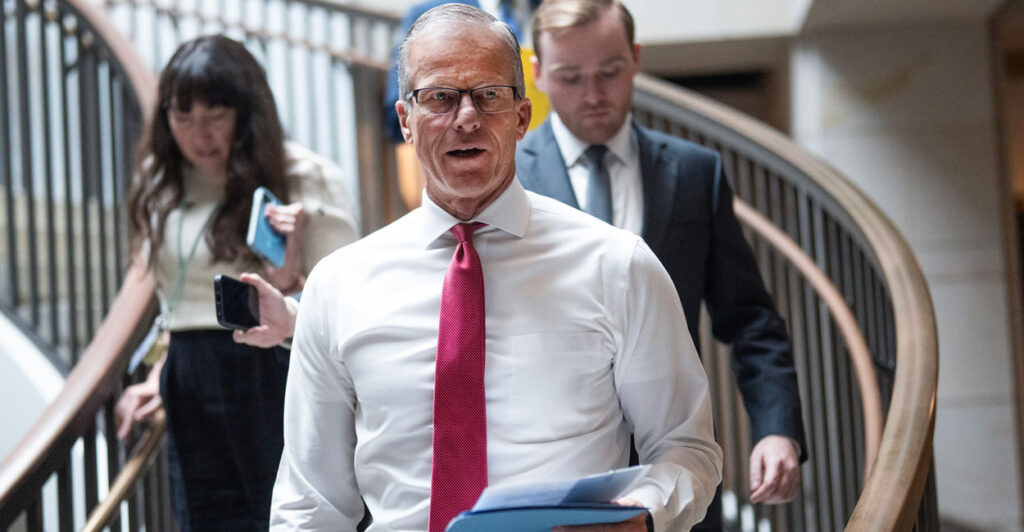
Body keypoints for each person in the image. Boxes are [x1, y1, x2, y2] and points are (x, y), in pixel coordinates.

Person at [270, 4, 721, 531]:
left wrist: (639, 518)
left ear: (523, 117)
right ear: (405, 121)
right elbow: (310, 503)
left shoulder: (618, 266)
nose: (466, 118)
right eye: (440, 97)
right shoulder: (338, 286)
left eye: (488, 96)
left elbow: (686, 447)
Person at [515, 0, 807, 528]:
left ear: (636, 58)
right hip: (551, 484)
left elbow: (750, 319)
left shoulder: (696, 173)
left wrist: (776, 427)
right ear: (536, 73)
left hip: (679, 479)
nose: (593, 94)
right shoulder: (507, 182)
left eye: (609, 72)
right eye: (570, 77)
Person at [111, 34, 358, 531]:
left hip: (271, 366)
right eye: (183, 117)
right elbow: (177, 294)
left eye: (215, 115)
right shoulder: (163, 181)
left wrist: (286, 278)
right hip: (187, 372)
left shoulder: (302, 177)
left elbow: (344, 307)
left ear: (247, 113)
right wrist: (160, 372)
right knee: (203, 519)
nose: (199, 135)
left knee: (287, 515)